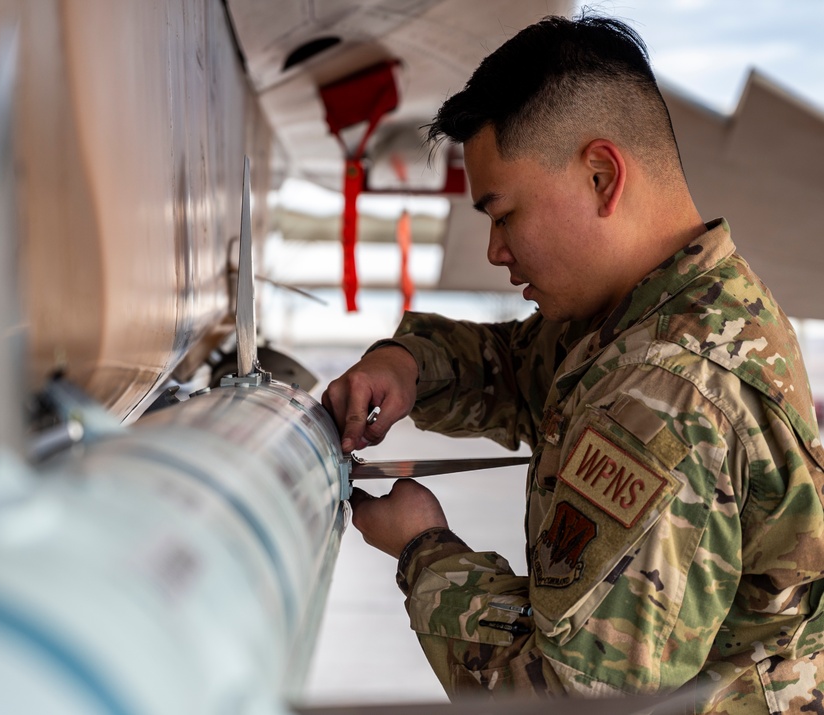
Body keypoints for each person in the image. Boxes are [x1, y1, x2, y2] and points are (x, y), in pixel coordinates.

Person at [321, 14, 824, 713]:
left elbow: (562, 699)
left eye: (504, 213)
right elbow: (516, 364)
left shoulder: (667, 393)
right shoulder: (662, 307)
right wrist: (407, 364)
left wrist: (423, 549)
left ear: (600, 176)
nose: (496, 251)